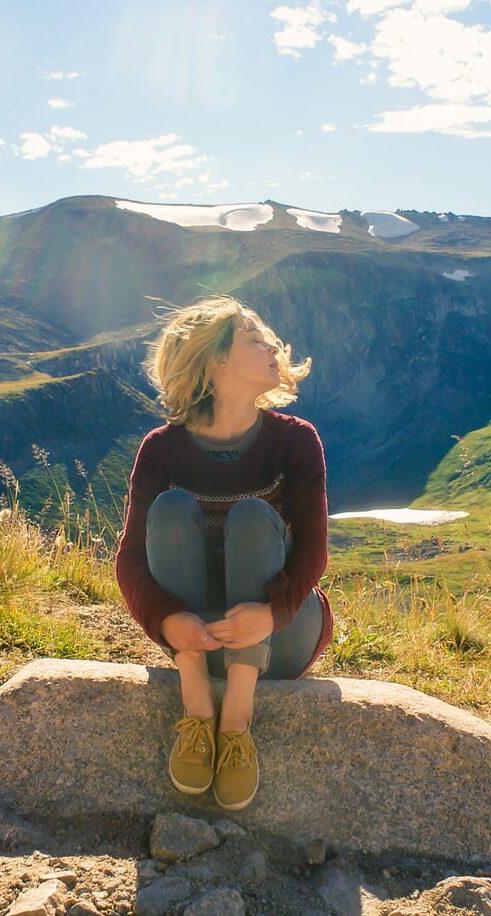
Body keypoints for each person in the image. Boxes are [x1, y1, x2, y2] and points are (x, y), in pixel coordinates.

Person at [114, 294, 334, 811]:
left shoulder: (296, 441)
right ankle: (197, 708)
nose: (273, 346)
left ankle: (235, 720)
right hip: (198, 637)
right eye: (254, 339)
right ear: (217, 360)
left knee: (254, 517)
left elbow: (314, 557)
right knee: (169, 509)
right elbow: (129, 561)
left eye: (269, 338)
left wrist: (270, 613)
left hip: (281, 632)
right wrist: (169, 623)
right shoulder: (161, 449)